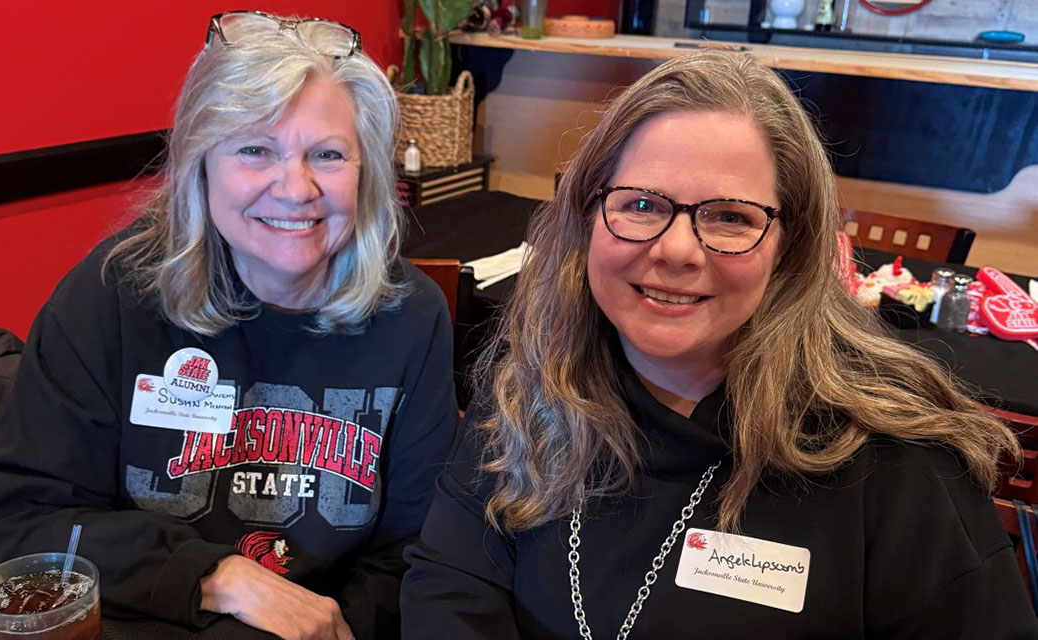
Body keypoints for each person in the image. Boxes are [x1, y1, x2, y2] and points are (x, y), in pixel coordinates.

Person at [400, 51, 1037, 638]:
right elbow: (451, 584)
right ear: (588, 216)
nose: (675, 249)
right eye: (642, 204)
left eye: (730, 216)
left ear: (791, 246)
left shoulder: (899, 464)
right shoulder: (528, 381)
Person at [0, 11, 457, 640]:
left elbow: (420, 551)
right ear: (201, 165)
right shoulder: (114, 290)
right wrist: (213, 575)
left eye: (328, 155)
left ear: (368, 178)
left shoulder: (410, 315)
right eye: (256, 149)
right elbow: (22, 515)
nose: (295, 187)